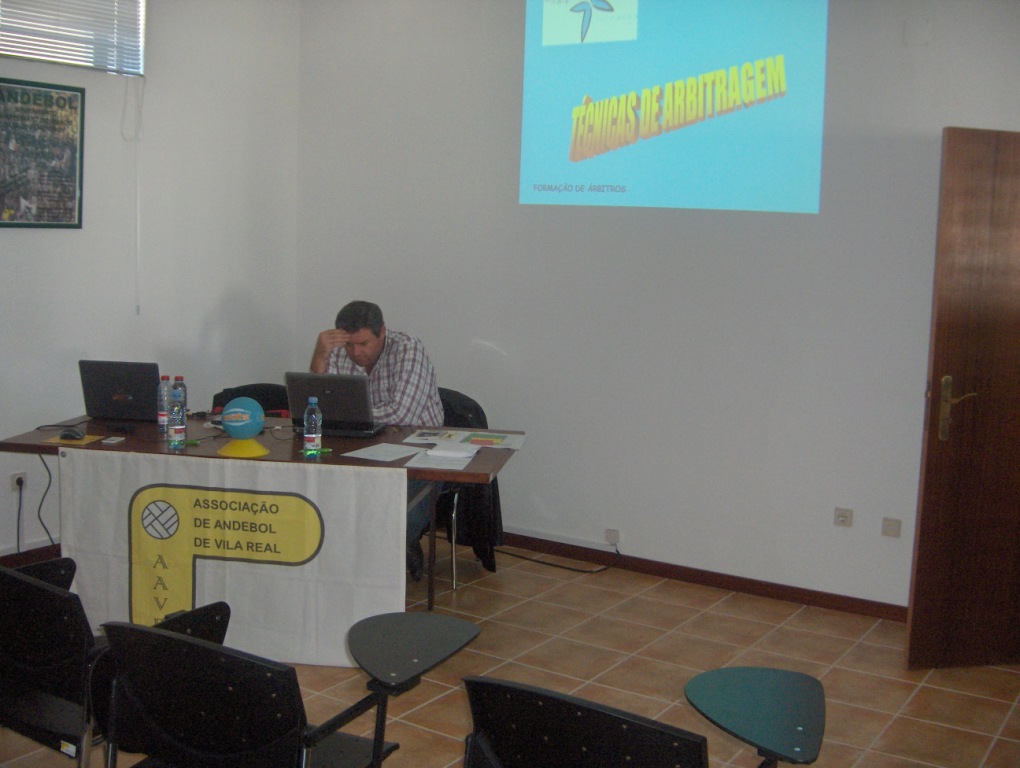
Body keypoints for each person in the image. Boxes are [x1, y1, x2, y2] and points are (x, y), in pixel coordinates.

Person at [311, 300, 443, 580]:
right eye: (349, 346)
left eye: (364, 344)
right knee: (326, 501)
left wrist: (346, 415)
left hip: (416, 451)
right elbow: (317, 405)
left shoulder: (408, 348)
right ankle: (345, 569)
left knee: (394, 520)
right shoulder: (338, 350)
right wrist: (320, 357)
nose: (356, 353)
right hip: (360, 448)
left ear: (382, 332)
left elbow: (402, 414)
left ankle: (388, 560)